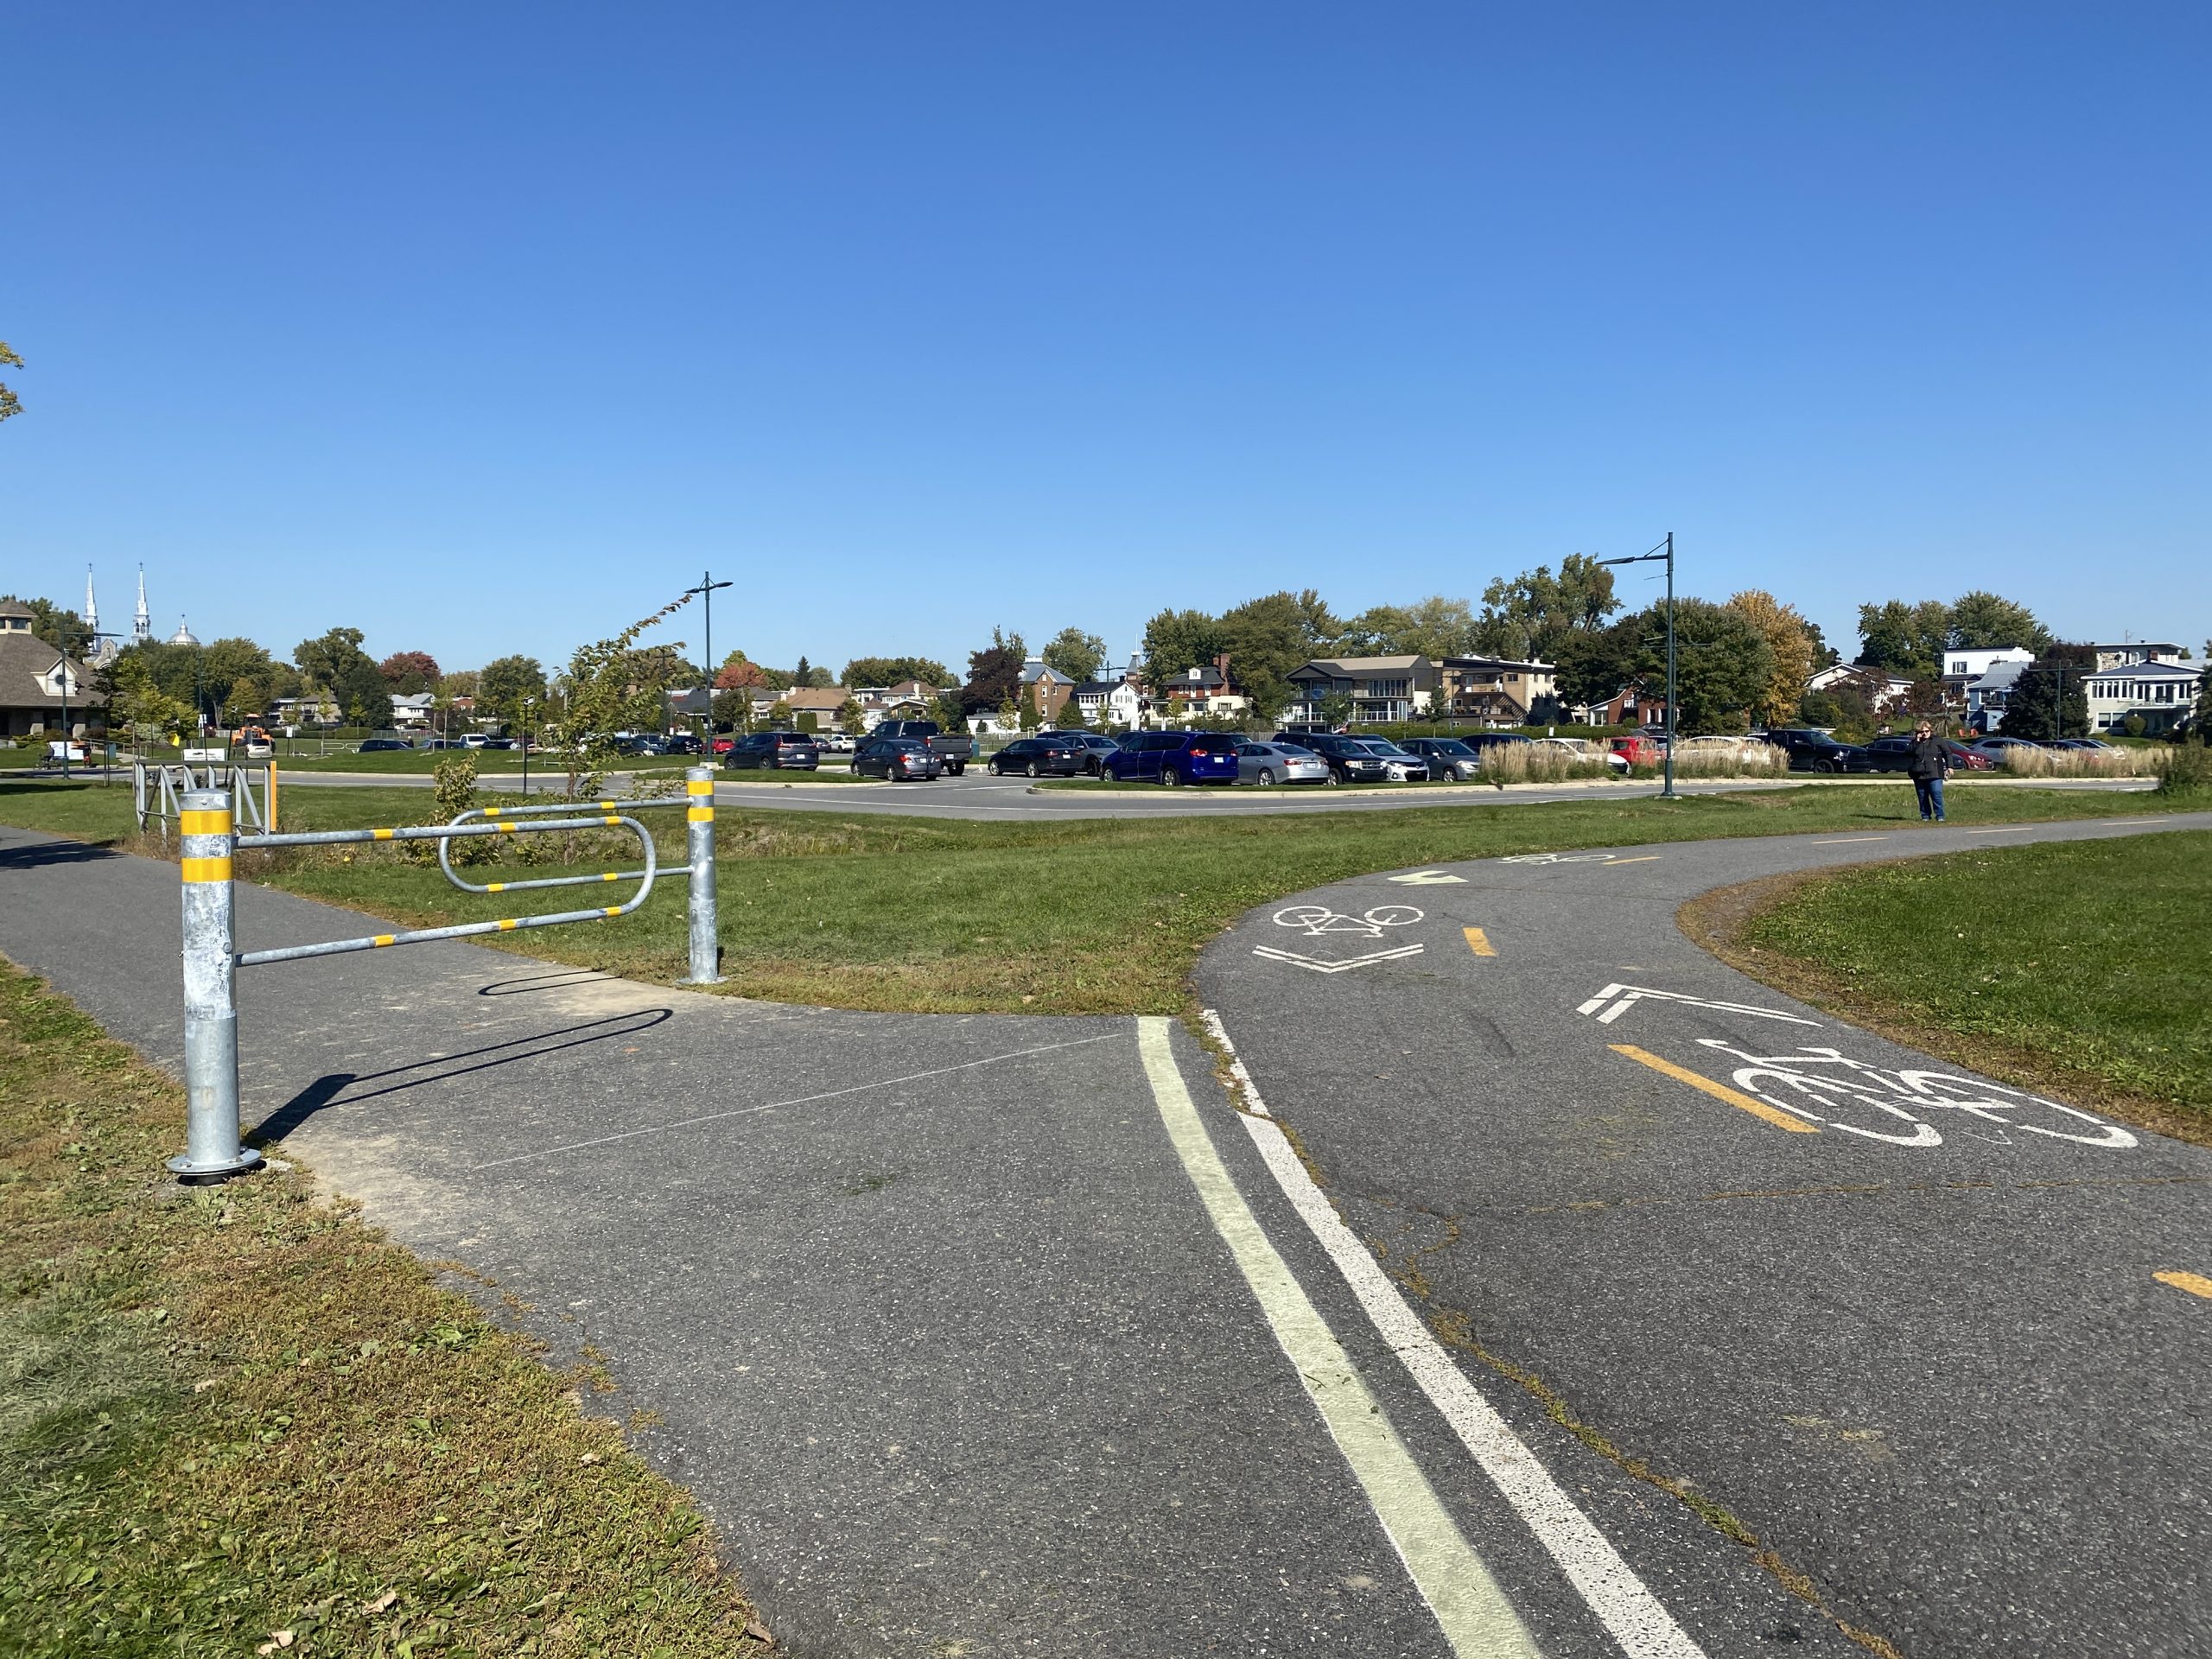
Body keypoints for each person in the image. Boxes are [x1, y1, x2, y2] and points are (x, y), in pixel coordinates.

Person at [1906, 721, 1950, 822]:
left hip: (1935, 772)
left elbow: (1947, 753)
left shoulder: (1937, 740)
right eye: (1922, 731)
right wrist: (1917, 741)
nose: (1925, 733)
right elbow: (1907, 753)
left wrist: (1950, 767)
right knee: (1922, 795)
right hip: (1919, 774)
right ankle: (1925, 816)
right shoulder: (1915, 743)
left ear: (1931, 731)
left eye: (1927, 731)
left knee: (1936, 793)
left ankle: (1940, 816)